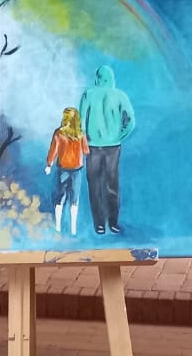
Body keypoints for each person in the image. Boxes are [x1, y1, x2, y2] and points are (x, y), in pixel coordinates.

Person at [78, 66, 135, 236]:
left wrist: (84, 143)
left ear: (97, 78)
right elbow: (130, 121)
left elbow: (80, 123)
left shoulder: (88, 94)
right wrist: (119, 135)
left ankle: (99, 225)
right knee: (112, 185)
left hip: (92, 147)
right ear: (111, 79)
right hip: (113, 146)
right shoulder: (120, 95)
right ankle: (114, 223)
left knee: (94, 186)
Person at [44, 106, 90, 235]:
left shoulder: (59, 133)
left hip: (62, 169)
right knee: (74, 200)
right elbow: (86, 151)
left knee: (59, 198)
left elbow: (53, 151)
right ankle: (73, 229)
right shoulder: (81, 134)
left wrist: (49, 165)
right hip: (77, 170)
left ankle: (58, 226)